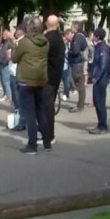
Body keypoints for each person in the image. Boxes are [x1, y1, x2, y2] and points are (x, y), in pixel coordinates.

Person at [12, 17, 50, 155]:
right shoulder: (45, 42)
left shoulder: (24, 42)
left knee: (29, 114)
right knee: (40, 111)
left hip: (26, 80)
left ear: (29, 28)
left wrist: (13, 44)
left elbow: (15, 58)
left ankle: (32, 145)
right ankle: (47, 142)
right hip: (40, 80)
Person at [42, 15, 65, 144]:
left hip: (47, 77)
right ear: (57, 25)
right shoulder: (59, 38)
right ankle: (48, 134)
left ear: (46, 24)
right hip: (56, 76)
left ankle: (48, 136)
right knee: (48, 106)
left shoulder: (47, 39)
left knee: (47, 108)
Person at [88, 28, 110, 135]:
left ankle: (103, 126)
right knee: (97, 102)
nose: (91, 37)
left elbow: (103, 64)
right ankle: (100, 124)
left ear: (97, 37)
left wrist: (96, 77)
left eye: (93, 35)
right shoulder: (99, 47)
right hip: (99, 78)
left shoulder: (102, 48)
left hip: (101, 79)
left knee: (100, 102)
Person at [66, 22, 88, 112]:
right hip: (77, 63)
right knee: (79, 83)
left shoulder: (78, 37)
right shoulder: (81, 36)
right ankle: (80, 104)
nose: (70, 28)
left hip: (77, 64)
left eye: (72, 26)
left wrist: (68, 52)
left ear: (75, 27)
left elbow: (75, 51)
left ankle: (80, 105)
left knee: (79, 83)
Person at [0, 30, 13, 102]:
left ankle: (8, 96)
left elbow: (8, 55)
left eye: (5, 34)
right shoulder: (3, 43)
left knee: (6, 81)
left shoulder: (9, 43)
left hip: (4, 64)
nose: (4, 35)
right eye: (3, 34)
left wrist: (4, 62)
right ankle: (5, 94)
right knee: (2, 81)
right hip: (0, 63)